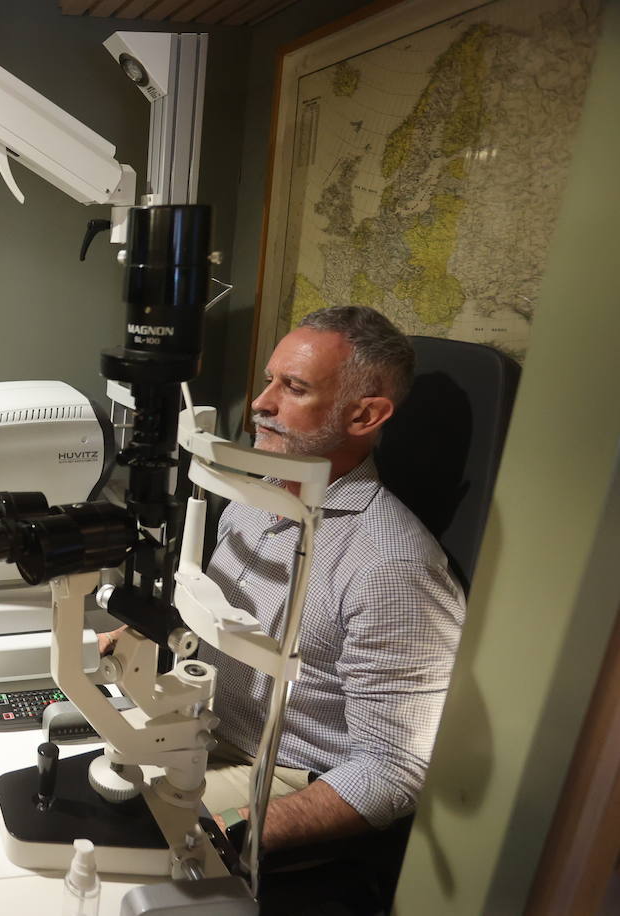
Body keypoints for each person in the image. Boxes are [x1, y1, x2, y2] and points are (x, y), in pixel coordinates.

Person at [99, 306, 464, 854]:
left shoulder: (392, 567)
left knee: (100, 850)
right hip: (200, 725)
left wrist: (238, 833)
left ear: (365, 416)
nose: (260, 405)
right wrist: (144, 641)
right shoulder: (257, 496)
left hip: (276, 772)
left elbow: (396, 769)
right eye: (270, 379)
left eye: (292, 388)